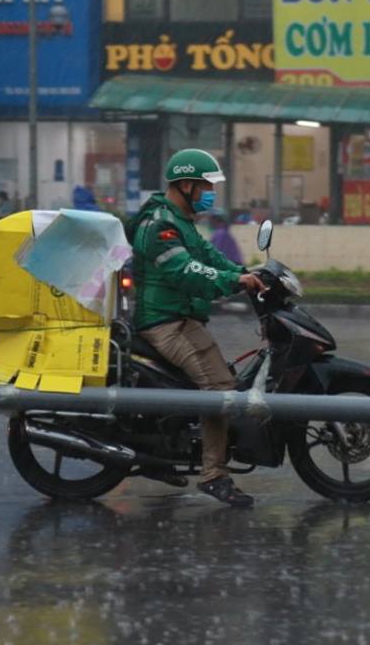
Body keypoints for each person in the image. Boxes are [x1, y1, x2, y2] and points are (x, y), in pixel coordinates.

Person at [126, 148, 265, 507]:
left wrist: (247, 271)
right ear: (185, 184)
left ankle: (164, 457)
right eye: (206, 185)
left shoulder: (180, 220)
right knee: (220, 389)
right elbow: (186, 271)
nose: (210, 193)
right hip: (164, 323)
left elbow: (208, 256)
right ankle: (214, 475)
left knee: (213, 383)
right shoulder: (159, 225)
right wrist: (235, 282)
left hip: (182, 318)